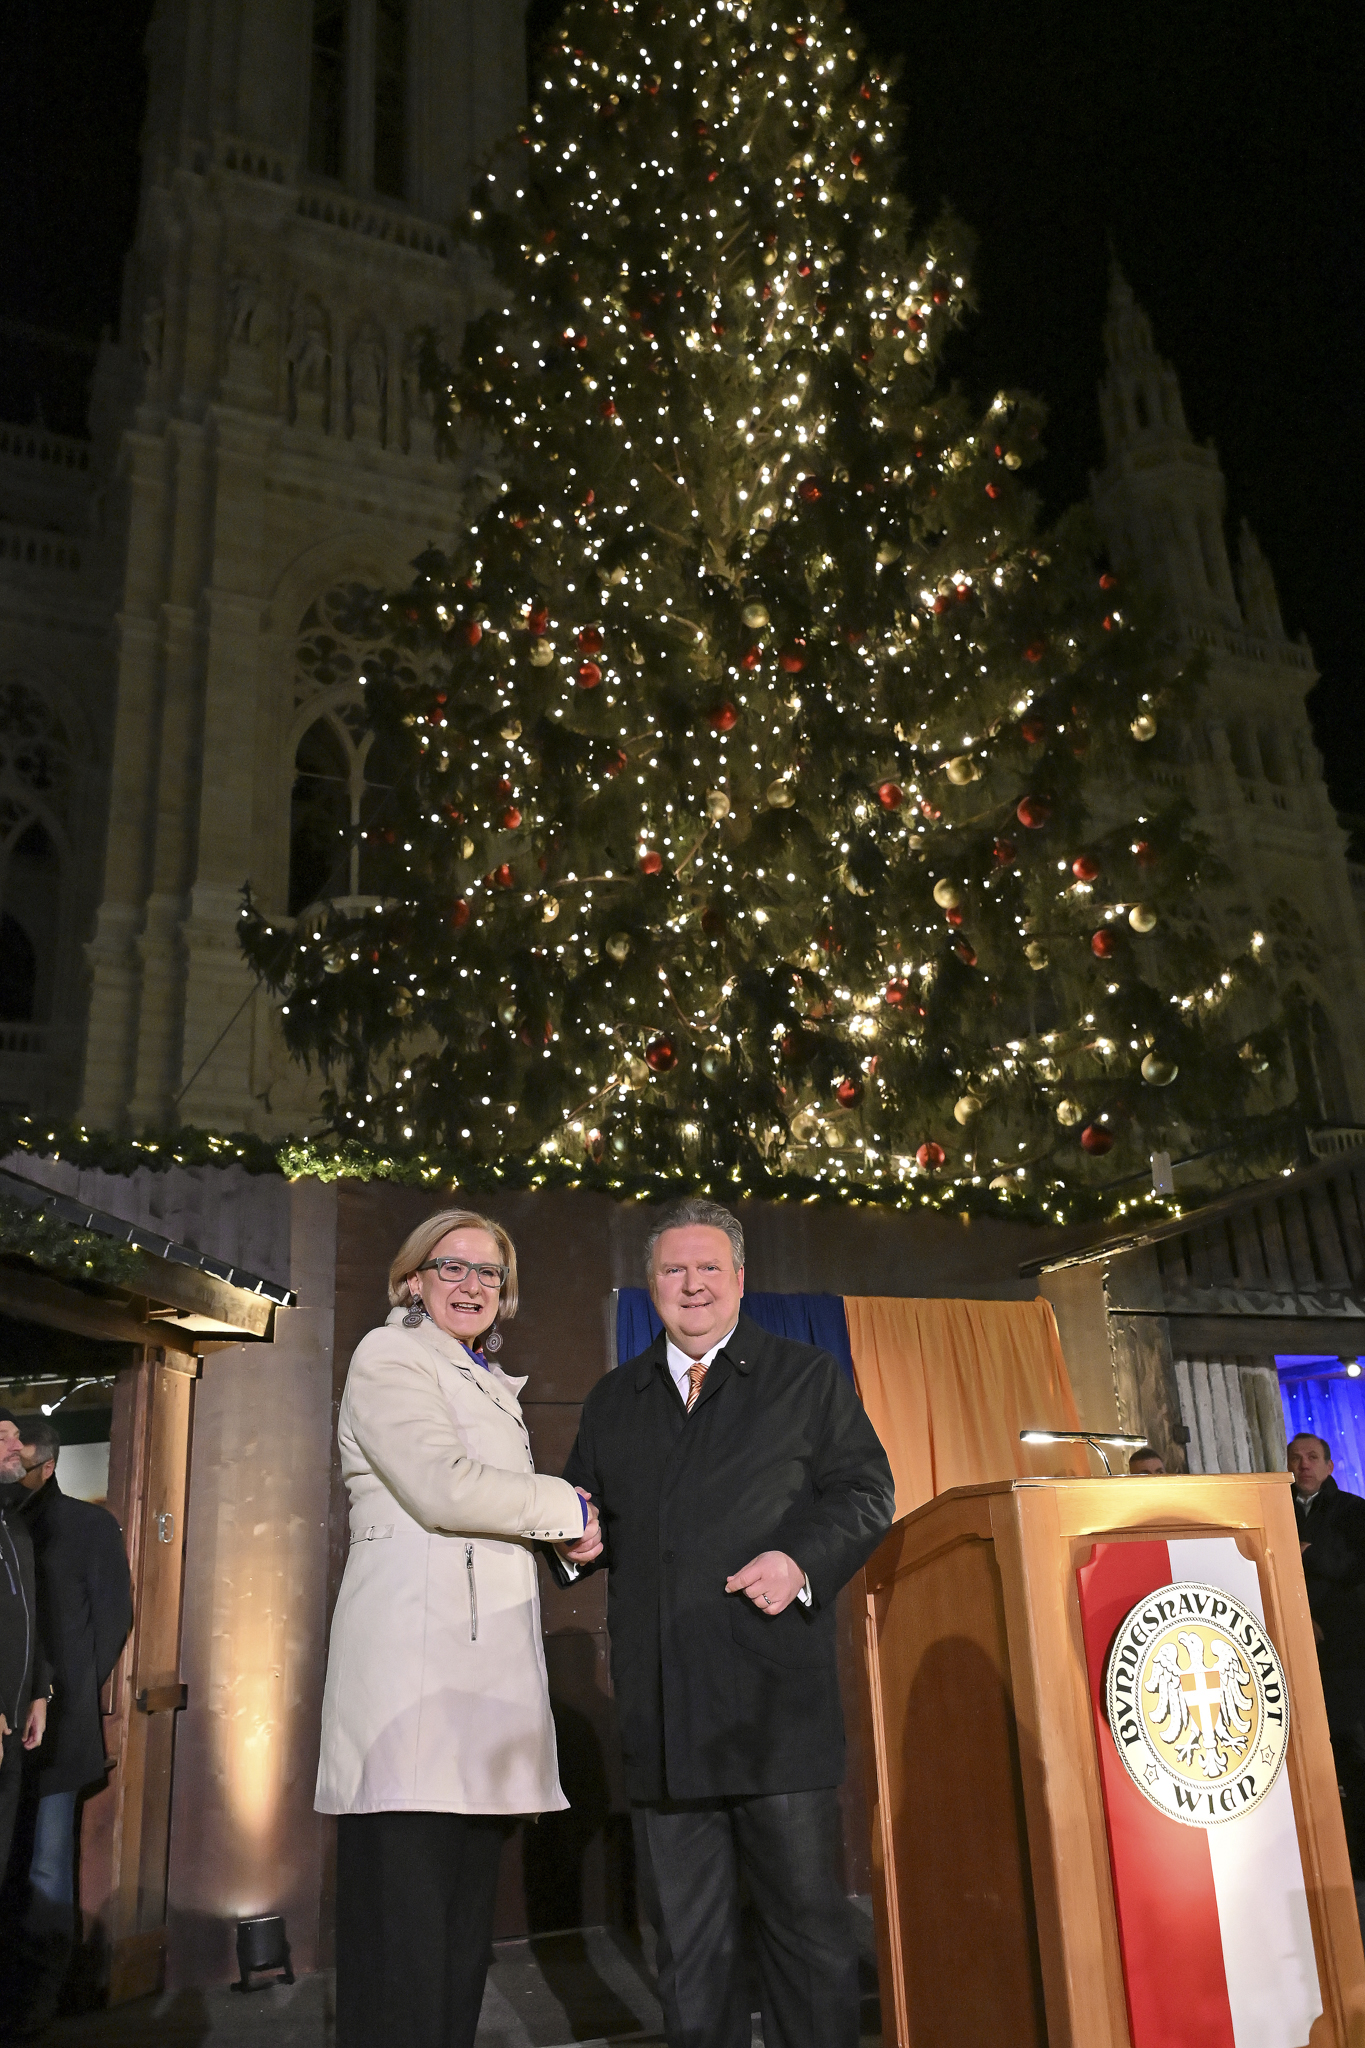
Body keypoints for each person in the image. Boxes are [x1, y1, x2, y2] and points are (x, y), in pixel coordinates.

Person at [558, 1197, 896, 2048]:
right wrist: (572, 1543)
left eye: (709, 1268)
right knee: (689, 1947)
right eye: (673, 1270)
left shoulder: (805, 1378)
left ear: (741, 1281)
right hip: (663, 1714)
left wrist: (798, 1562)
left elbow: (865, 1497)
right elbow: (581, 1519)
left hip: (772, 1707)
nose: (692, 1284)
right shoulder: (613, 1400)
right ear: (651, 1286)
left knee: (806, 1938)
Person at [315, 1208, 598, 2048]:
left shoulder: (475, 1379)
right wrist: (569, 1506)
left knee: (455, 1938)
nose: (472, 1285)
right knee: (403, 1939)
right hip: (414, 1677)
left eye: (490, 1274)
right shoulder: (389, 1354)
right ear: (412, 1279)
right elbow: (441, 1486)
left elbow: (488, 1515)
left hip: (473, 1685)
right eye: (453, 1268)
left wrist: (568, 1539)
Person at [0, 1415, 132, 2040]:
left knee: (47, 1867)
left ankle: (40, 1999)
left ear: (44, 1465)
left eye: (17, 1456)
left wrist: (69, 1689)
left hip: (56, 1725)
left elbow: (112, 1619)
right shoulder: (10, 1525)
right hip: (21, 1721)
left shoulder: (85, 1524)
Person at [1289, 1430, 1365, 1873]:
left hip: (1345, 1652)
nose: (1304, 1465)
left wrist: (1308, 1553)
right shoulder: (1273, 1510)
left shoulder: (1354, 1510)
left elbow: (1354, 1565)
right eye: (1295, 1458)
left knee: (1353, 1753)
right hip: (1294, 1652)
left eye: (1313, 1457)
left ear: (1330, 1466)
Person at [0, 1414, 49, 1881]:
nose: (19, 1444)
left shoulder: (13, 1523)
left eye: (17, 1434)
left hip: (13, 1724)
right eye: (3, 1436)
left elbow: (29, 1615)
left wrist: (39, 1690)